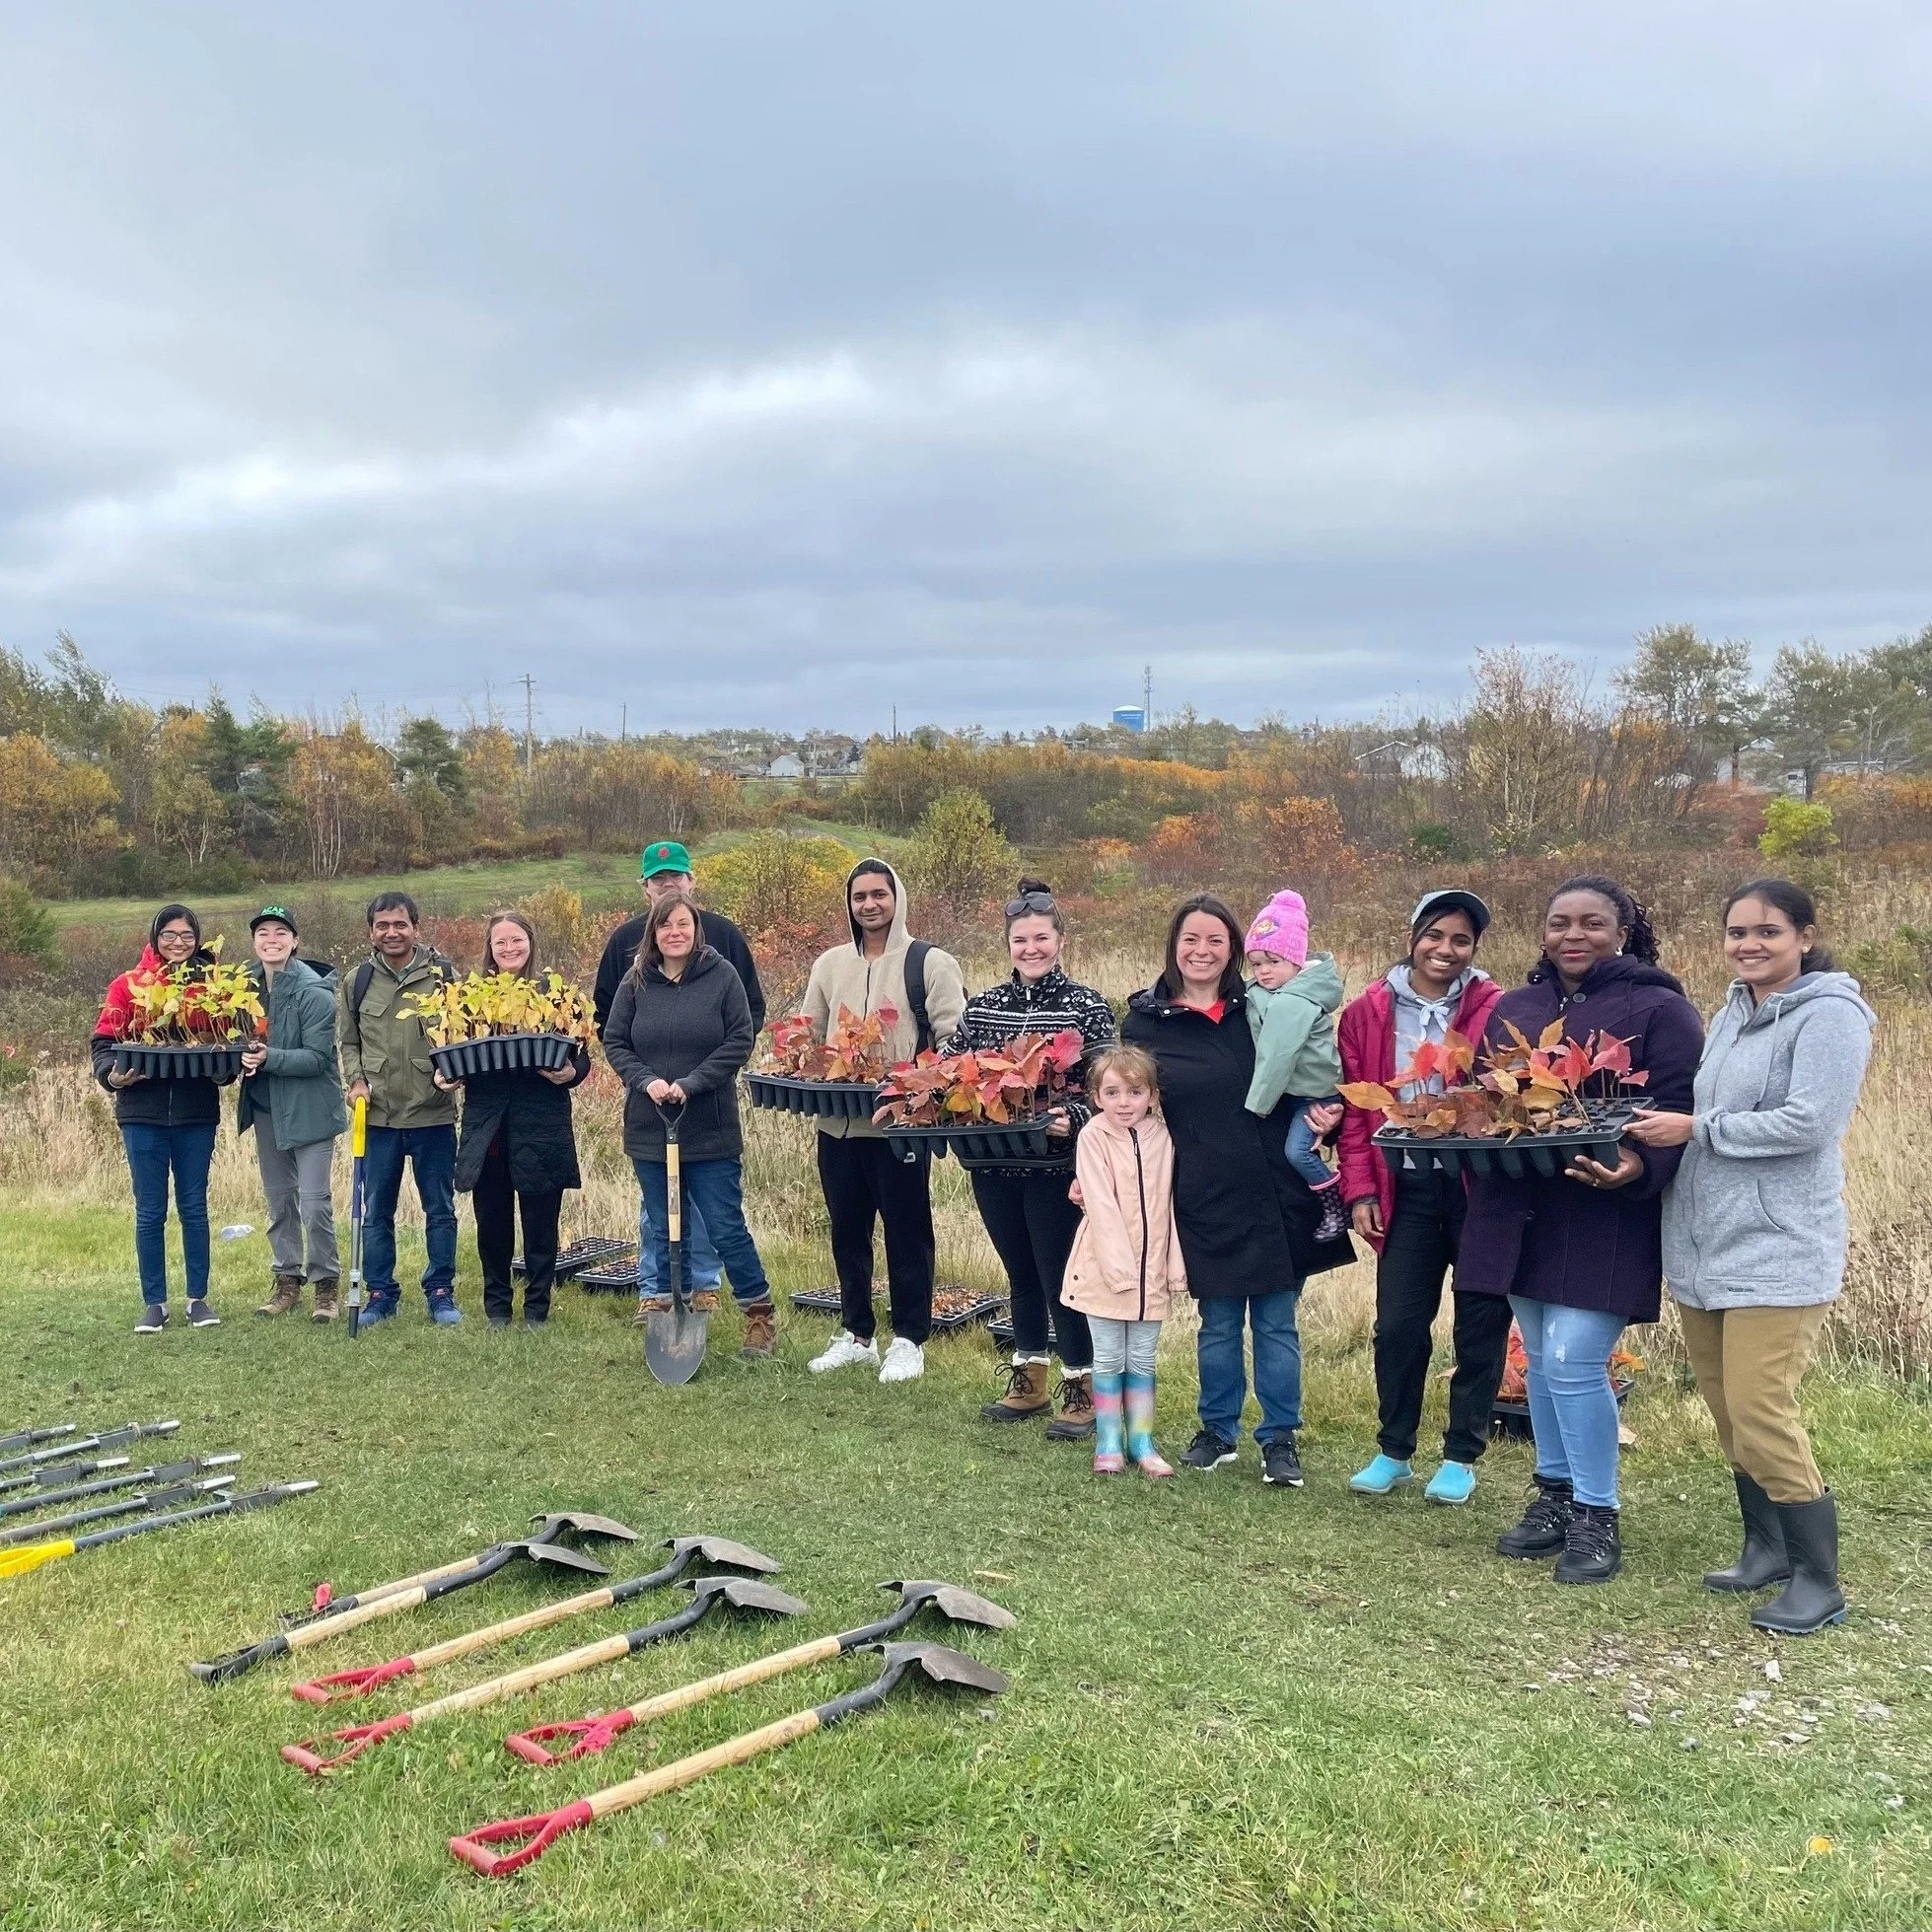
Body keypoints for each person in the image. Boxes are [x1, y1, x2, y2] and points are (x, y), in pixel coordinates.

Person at [1626, 879, 1875, 1636]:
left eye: (1766, 931)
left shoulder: (1832, 1015)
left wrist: (1695, 1130)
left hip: (1779, 1248)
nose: (1748, 944)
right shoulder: (1734, 1011)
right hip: (1705, 1246)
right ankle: (1763, 1548)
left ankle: (1817, 1578)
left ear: (1803, 933)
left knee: (1762, 1408)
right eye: (1736, 932)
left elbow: (1809, 1122)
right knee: (1727, 1408)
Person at [1457, 875, 1704, 1584]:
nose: (1573, 934)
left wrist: (1635, 1164)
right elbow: (1485, 1102)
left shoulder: (1661, 1008)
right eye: (1559, 921)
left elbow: (1682, 1107)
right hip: (1520, 1208)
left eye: (1591, 922)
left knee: (1571, 1359)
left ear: (1622, 930)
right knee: (1538, 1354)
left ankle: (1598, 1515)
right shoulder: (1516, 1006)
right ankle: (1555, 1496)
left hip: (1604, 1210)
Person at [1121, 894, 1354, 1486]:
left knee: (1277, 1323)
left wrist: (1332, 1114)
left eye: (1215, 941)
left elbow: (1319, 1072)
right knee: (1218, 1323)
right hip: (1202, 1191)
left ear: (1236, 951)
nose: (1201, 951)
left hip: (1277, 1188)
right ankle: (1218, 1431)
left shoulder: (1264, 1004)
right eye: (1190, 939)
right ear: (1174, 946)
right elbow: (1126, 1109)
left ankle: (1279, 1438)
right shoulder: (1146, 1023)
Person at [1336, 889, 1508, 1505]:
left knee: (1482, 1320)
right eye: (1435, 935)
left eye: (1460, 940)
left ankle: (1462, 1453)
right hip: (1405, 1185)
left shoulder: (1496, 1007)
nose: (1446, 949)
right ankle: (1394, 1449)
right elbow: (1358, 1115)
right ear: (1412, 938)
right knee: (1400, 1324)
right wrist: (1358, 1187)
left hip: (1478, 1188)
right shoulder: (1366, 1011)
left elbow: (1506, 1094)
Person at [950, 879, 1116, 1438]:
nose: (1031, 949)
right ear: (1008, 945)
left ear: (1061, 940)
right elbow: (954, 1067)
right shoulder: (986, 1006)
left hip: (1056, 1168)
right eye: (1020, 940)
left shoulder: (1085, 1005)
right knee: (1018, 1271)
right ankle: (1028, 1377)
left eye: (1041, 938)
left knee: (1058, 1275)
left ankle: (1082, 1385)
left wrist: (1079, 1117)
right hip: (994, 1161)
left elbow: (1111, 1085)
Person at [800, 859, 966, 1386]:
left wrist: (915, 1086)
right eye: (859, 897)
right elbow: (810, 1038)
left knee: (908, 1232)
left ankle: (909, 1339)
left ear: (898, 897)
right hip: (839, 1126)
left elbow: (954, 1042)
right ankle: (856, 1334)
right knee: (848, 1230)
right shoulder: (828, 965)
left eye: (879, 894)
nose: (869, 904)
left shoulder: (931, 963)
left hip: (901, 1130)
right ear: (848, 905)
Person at [592, 839, 764, 1323]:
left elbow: (745, 1020)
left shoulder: (724, 949)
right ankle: (662, 1293)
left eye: (676, 877)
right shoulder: (631, 964)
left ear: (692, 882)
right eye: (659, 878)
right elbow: (611, 1026)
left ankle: (713, 1291)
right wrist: (643, 1077)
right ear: (645, 889)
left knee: (720, 1217)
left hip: (706, 1110)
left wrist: (700, 1076)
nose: (668, 887)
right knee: (662, 1217)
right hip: (651, 1112)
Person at [91, 904, 232, 1333]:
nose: (178, 942)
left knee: (194, 1207)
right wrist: (112, 1076)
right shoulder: (129, 986)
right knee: (150, 1211)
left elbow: (228, 1043)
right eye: (169, 934)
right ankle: (155, 1303)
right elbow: (102, 1044)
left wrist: (221, 1068)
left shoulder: (212, 988)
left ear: (198, 939)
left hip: (195, 1115)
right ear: (155, 938)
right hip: (141, 1116)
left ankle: (197, 1300)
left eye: (187, 935)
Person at [450, 912, 592, 1329]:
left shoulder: (558, 995)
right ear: (489, 950)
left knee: (540, 1220)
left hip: (541, 1122)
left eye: (517, 940)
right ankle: (496, 1306)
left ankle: (537, 1308)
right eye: (500, 943)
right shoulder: (469, 998)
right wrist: (445, 1076)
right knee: (491, 1220)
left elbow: (581, 1057)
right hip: (488, 1125)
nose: (509, 949)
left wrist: (571, 1075)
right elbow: (447, 1052)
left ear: (531, 942)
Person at [335, 892, 463, 1327]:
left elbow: (460, 1036)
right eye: (383, 925)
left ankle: (441, 1292)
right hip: (378, 1118)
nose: (392, 932)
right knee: (376, 1212)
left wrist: (454, 1072)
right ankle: (379, 1294)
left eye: (400, 924)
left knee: (440, 1210)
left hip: (434, 1114)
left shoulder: (444, 976)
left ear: (416, 927)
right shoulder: (357, 981)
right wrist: (354, 1081)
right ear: (371, 931)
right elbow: (348, 1042)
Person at [1060, 1045, 1186, 1477]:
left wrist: (1173, 1264)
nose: (1123, 1103)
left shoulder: (1164, 1137)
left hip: (1151, 1272)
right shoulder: (1093, 1137)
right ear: (1096, 1097)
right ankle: (1109, 1440)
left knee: (1144, 1361)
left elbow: (1170, 1205)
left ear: (1152, 1096)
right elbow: (1100, 1203)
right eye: (1112, 1093)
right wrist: (1118, 1270)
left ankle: (1143, 1441)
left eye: (1134, 1092)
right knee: (1109, 1359)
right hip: (1105, 1271)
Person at [236, 905, 348, 1322]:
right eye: (263, 932)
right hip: (267, 1109)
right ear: (254, 942)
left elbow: (318, 1059)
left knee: (315, 1203)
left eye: (281, 932)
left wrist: (268, 1058)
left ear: (295, 940)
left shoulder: (314, 991)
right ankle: (286, 1282)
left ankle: (326, 1287)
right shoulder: (240, 988)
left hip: (311, 1111)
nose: (271, 939)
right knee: (280, 1201)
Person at [1242, 889, 1347, 1241]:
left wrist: (1256, 1107)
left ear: (1296, 962)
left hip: (1314, 1097)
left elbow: (1277, 1058)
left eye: (1273, 962)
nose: (1263, 972)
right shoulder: (1276, 993)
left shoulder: (1293, 1003)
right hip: (1300, 1093)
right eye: (1256, 963)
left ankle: (1336, 1205)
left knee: (1297, 1151)